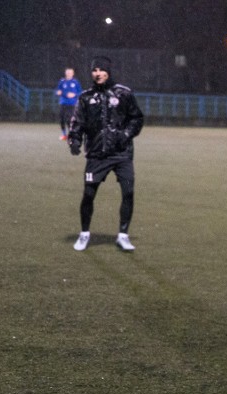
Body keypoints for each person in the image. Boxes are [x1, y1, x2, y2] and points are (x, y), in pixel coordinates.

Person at [68, 56, 144, 252]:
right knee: (88, 194)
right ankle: (84, 234)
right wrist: (74, 140)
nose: (98, 73)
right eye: (94, 70)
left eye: (101, 70)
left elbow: (136, 118)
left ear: (108, 72)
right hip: (96, 154)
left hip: (122, 154)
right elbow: (77, 122)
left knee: (128, 192)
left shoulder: (123, 93)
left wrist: (125, 134)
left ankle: (123, 236)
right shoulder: (85, 97)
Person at [55, 67, 82, 141]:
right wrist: (58, 93)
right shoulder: (62, 81)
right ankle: (64, 134)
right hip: (63, 103)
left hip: (72, 104)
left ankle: (71, 134)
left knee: (69, 119)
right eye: (67, 72)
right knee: (61, 119)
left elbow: (80, 92)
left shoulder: (75, 82)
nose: (69, 74)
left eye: (70, 73)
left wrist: (74, 95)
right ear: (65, 73)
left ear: (73, 74)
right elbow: (57, 91)